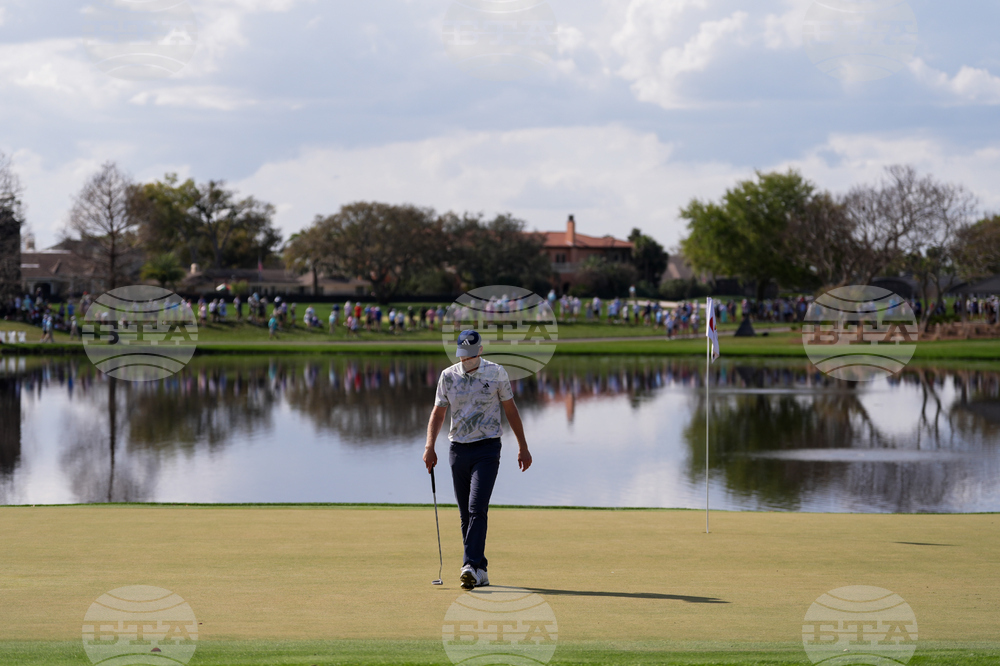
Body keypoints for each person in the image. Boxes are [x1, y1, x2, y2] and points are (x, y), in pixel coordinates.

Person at [423, 330, 533, 590]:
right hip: (457, 449)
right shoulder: (448, 376)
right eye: (463, 355)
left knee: (476, 508)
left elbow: (511, 411)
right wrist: (429, 446)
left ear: (480, 351)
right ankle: (479, 570)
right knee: (465, 515)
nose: (466, 360)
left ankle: (469, 565)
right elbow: (438, 414)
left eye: (471, 355)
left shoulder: (496, 373)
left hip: (487, 448)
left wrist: (523, 447)